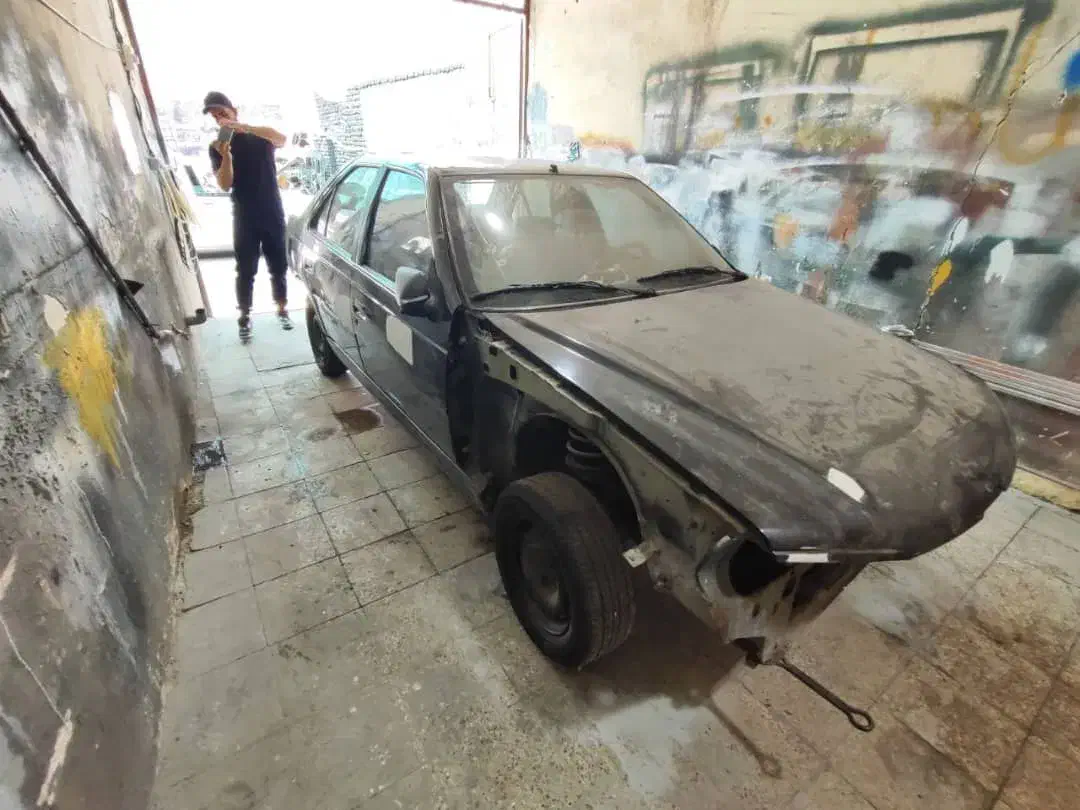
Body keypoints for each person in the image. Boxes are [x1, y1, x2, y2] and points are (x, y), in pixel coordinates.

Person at [203, 91, 291, 338]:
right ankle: (244, 316)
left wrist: (246, 128)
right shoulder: (217, 147)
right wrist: (226, 157)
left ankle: (282, 308)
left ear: (234, 111)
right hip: (244, 214)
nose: (221, 120)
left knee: (278, 263)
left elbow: (282, 139)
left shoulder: (260, 136)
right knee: (245, 268)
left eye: (223, 113)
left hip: (272, 210)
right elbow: (225, 184)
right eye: (215, 117)